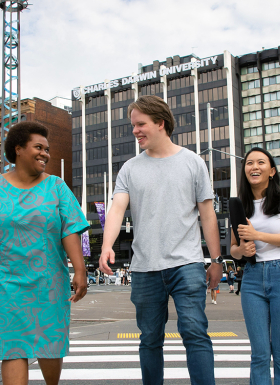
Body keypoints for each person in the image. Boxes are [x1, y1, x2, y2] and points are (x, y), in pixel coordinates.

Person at [0, 121, 89, 385]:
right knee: (12, 348)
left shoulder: (57, 187)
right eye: (39, 147)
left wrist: (79, 270)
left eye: (47, 149)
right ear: (18, 149)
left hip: (48, 283)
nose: (45, 154)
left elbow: (70, 230)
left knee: (49, 345)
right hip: (3, 283)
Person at [99, 95, 222, 385]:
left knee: (194, 332)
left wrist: (216, 261)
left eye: (140, 124)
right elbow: (117, 208)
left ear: (160, 123)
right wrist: (106, 246)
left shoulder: (193, 162)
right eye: (133, 125)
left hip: (187, 265)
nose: (135, 130)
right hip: (145, 268)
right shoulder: (130, 168)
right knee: (150, 339)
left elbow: (207, 216)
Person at [230, 147, 280, 385]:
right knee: (259, 354)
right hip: (252, 278)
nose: (254, 167)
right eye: (249, 163)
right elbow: (233, 249)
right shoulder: (238, 205)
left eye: (261, 162)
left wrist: (257, 235)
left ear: (271, 171)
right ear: (244, 171)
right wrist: (242, 250)